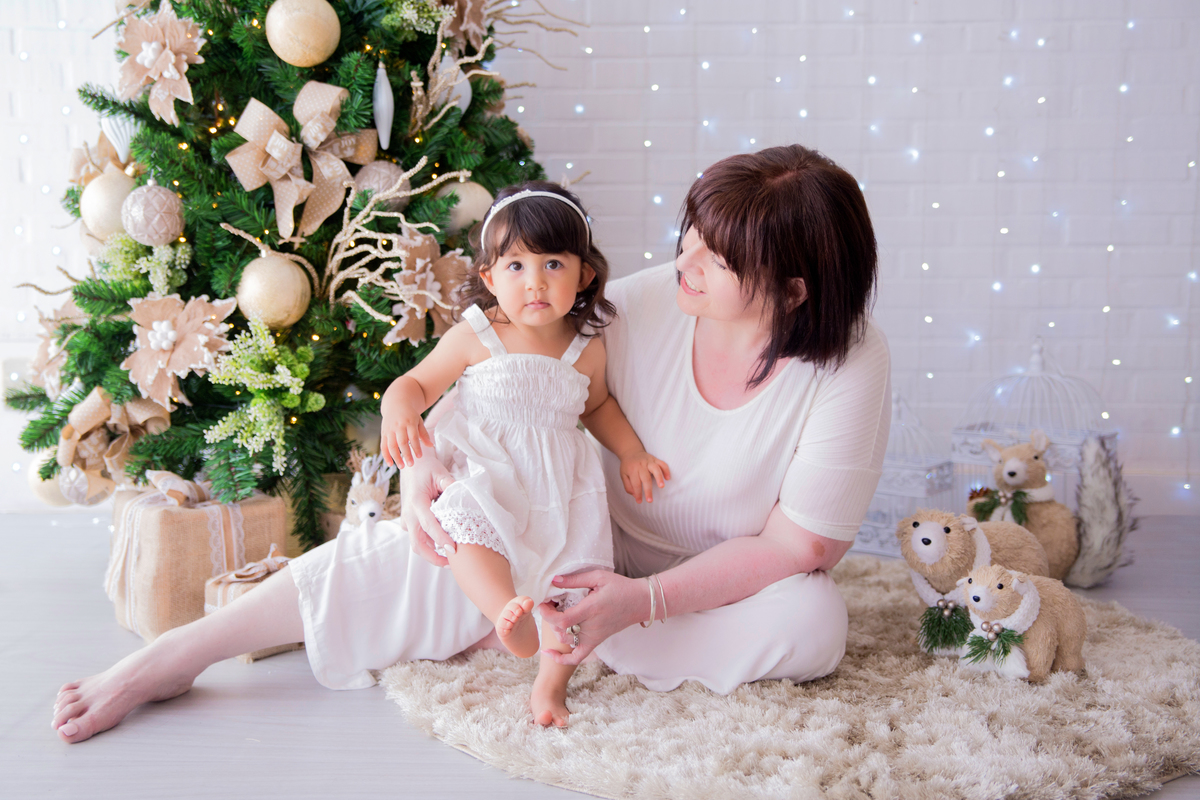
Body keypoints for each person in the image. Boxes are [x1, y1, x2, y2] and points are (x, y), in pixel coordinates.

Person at [52, 144, 889, 744]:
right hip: (568, 541)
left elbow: (800, 546)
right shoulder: (631, 307)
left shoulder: (850, 364)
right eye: (691, 236)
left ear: (791, 291)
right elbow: (489, 385)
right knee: (431, 545)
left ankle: (571, 633)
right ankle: (181, 654)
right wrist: (424, 473)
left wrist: (642, 600)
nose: (686, 261)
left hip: (710, 585)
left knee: (813, 620)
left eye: (717, 257)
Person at [379, 182, 670, 725]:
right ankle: (503, 612)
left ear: (584, 275)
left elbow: (597, 407)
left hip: (559, 485)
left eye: (553, 264)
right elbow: (415, 383)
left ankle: (551, 687)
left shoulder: (586, 348)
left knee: (575, 581)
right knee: (463, 521)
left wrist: (631, 452)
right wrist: (398, 409)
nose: (535, 281)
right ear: (489, 278)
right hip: (488, 469)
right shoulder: (478, 333)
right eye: (515, 266)